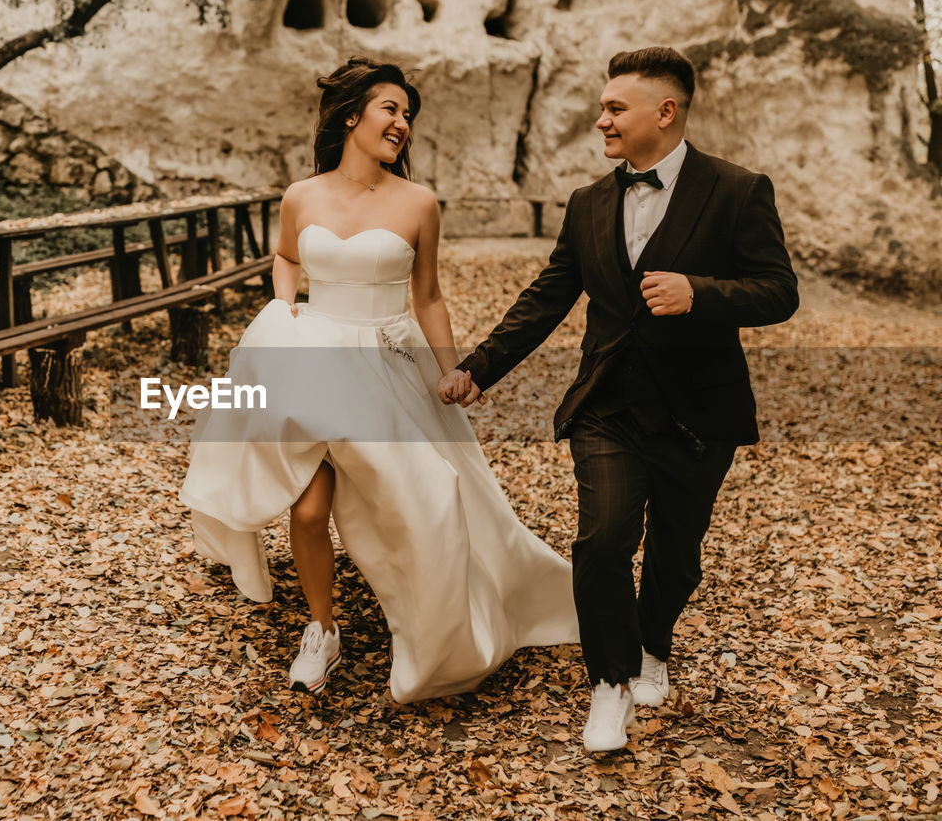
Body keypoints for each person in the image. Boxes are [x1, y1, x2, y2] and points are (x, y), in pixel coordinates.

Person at [179, 57, 578, 704]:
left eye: (408, 114)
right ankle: (322, 629)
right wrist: (284, 308)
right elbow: (285, 258)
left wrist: (450, 368)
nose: (403, 123)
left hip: (388, 365)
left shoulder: (418, 202)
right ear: (351, 115)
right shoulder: (300, 196)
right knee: (309, 507)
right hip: (312, 358)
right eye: (392, 108)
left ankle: (442, 622)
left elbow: (429, 296)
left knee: (422, 500)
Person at [440, 47, 799, 751]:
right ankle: (608, 685)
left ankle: (652, 645)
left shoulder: (737, 189)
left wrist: (703, 293)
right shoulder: (588, 204)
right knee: (602, 539)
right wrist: (480, 366)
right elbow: (544, 298)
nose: (599, 119)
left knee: (677, 551)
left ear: (665, 113)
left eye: (614, 108)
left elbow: (779, 290)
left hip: (699, 413)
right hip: (605, 406)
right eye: (602, 107)